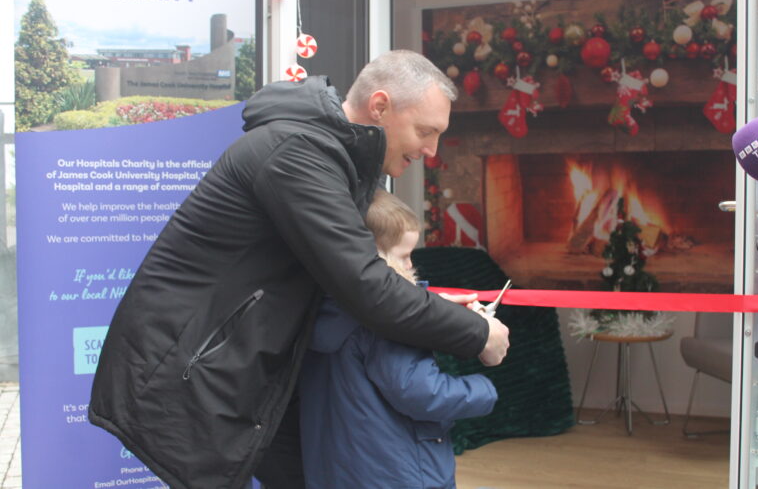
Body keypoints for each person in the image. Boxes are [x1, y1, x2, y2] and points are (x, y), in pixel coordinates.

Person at [88, 50, 510, 489]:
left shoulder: (337, 161)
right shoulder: (298, 154)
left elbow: (347, 280)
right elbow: (364, 285)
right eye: (426, 132)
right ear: (380, 106)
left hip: (240, 372)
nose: (431, 150)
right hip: (191, 372)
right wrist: (477, 333)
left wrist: (434, 303)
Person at [299, 189, 498, 489]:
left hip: (336, 471)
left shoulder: (319, 307)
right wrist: (485, 390)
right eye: (404, 257)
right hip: (400, 473)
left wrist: (437, 313)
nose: (410, 267)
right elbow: (422, 393)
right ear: (367, 259)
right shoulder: (391, 320)